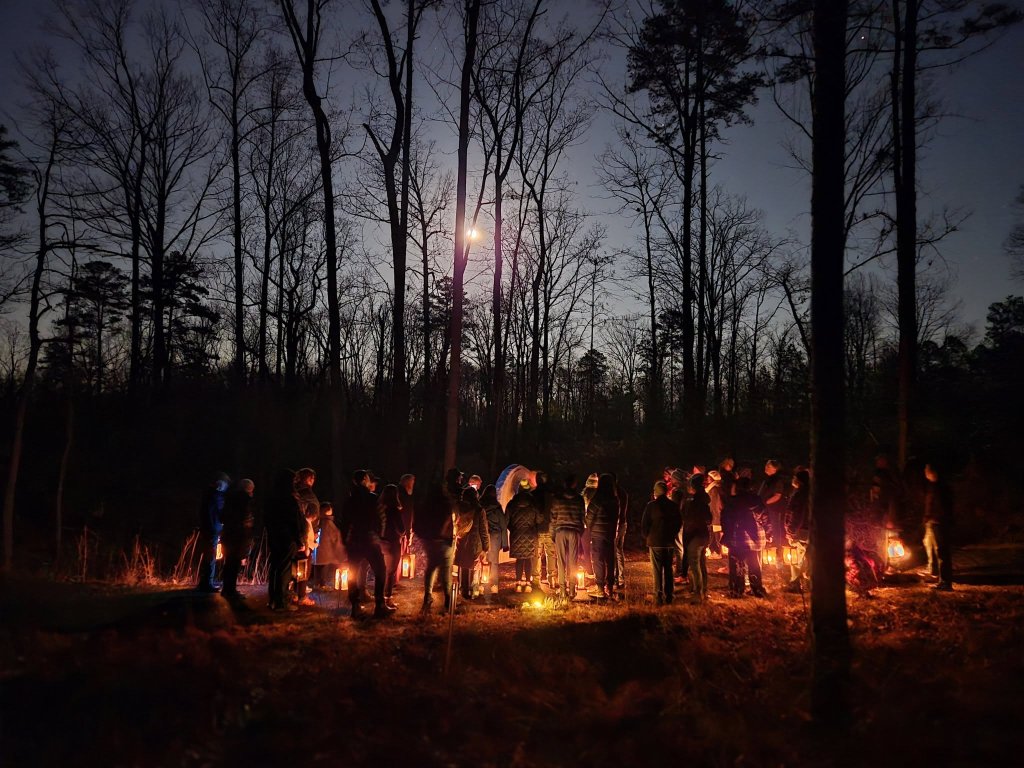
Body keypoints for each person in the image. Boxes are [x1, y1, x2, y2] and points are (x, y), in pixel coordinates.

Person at [339, 469, 392, 618]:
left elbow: (344, 522)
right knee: (380, 570)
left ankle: (355, 606)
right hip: (370, 540)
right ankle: (380, 604)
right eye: (368, 479)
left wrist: (345, 541)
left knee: (353, 573)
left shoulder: (349, 500)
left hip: (354, 541)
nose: (370, 481)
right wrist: (380, 535)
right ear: (363, 480)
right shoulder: (372, 498)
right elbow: (382, 518)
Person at [264, 469, 305, 611]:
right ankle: (281, 602)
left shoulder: (271, 497)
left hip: (274, 536)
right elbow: (294, 520)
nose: (296, 483)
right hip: (287, 538)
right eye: (294, 481)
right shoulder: (290, 498)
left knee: (275, 567)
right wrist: (299, 539)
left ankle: (273, 600)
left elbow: (267, 518)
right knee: (285, 569)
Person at [721, 476, 768, 598]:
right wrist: (769, 532)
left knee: (736, 563)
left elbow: (726, 519)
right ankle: (757, 589)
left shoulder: (732, 501)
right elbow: (765, 518)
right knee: (754, 564)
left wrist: (726, 533)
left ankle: (736, 590)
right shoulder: (756, 500)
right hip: (755, 537)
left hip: (737, 537)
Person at [416, 478, 457, 614]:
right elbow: (449, 520)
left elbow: (417, 523)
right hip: (444, 540)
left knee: (431, 567)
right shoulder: (447, 504)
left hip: (430, 541)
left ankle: (428, 597)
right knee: (446, 570)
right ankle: (448, 599)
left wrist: (424, 536)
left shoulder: (425, 504)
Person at [641, 480, 681, 605]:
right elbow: (679, 522)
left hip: (655, 542)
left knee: (657, 570)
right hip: (668, 542)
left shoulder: (651, 506)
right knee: (668, 569)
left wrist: (647, 536)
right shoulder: (673, 506)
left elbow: (644, 524)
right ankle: (669, 595)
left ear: (655, 493)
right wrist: (672, 534)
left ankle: (658, 596)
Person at [549, 474, 586, 600]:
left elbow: (553, 519)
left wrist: (553, 535)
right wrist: (579, 533)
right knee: (573, 562)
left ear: (564, 484)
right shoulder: (579, 499)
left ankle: (563, 590)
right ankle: (571, 590)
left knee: (561, 562)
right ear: (574, 484)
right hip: (574, 531)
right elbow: (582, 518)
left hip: (560, 531)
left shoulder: (557, 499)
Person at [220, 478, 255, 599]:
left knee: (229, 562)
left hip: (228, 534)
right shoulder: (245, 500)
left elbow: (222, 516)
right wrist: (249, 532)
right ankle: (231, 591)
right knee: (234, 563)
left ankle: (226, 589)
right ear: (249, 489)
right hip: (239, 535)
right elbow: (247, 518)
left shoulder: (229, 498)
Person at [922, 461, 954, 591]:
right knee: (935, 549)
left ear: (933, 472)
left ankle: (946, 582)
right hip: (934, 522)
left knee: (942, 551)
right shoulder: (933, 486)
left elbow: (943, 506)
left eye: (927, 469)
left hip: (939, 522)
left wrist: (935, 518)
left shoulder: (940, 487)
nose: (925, 471)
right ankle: (940, 577)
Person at [585, 474, 618, 599]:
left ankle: (600, 588)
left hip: (598, 534)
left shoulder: (597, 499)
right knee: (610, 560)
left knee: (598, 560)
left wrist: (590, 527)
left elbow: (589, 518)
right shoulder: (615, 500)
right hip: (610, 534)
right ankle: (609, 587)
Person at [197, 472, 230, 593]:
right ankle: (207, 583)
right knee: (210, 556)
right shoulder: (216, 496)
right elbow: (219, 514)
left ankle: (206, 581)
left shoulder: (208, 495)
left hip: (208, 529)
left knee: (209, 555)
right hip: (212, 530)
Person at [454, 486, 490, 600]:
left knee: (463, 566)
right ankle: (471, 591)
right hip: (475, 542)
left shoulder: (458, 508)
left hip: (461, 540)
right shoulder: (479, 510)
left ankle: (462, 589)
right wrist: (486, 547)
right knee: (473, 567)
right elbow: (483, 530)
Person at [291, 468, 319, 606]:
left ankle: (296, 592)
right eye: (310, 478)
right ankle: (300, 594)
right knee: (303, 565)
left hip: (303, 532)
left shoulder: (296, 492)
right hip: (303, 533)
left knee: (298, 564)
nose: (312, 481)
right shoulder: (303, 494)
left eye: (313, 478)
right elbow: (307, 514)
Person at [506, 479, 541, 592]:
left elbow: (506, 520)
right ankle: (528, 583)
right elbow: (539, 519)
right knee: (528, 559)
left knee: (519, 559)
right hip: (530, 534)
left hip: (516, 534)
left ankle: (518, 583)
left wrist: (513, 529)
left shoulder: (512, 504)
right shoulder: (533, 504)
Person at [681, 474, 712, 602]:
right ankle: (703, 590)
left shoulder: (692, 502)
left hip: (694, 535)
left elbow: (685, 516)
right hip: (703, 534)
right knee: (701, 563)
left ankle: (698, 593)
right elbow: (709, 519)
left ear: (693, 486)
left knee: (694, 563)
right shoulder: (704, 502)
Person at [759, 460, 788, 575]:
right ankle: (767, 556)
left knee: (776, 533)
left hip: (774, 510)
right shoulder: (767, 479)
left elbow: (777, 495)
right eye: (766, 465)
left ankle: (778, 559)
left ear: (775, 469)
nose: (766, 467)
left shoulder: (777, 480)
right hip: (767, 509)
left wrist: (765, 503)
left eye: (769, 466)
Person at [783, 469, 811, 593]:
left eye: (794, 477)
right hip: (808, 528)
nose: (792, 480)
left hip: (800, 529)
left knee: (797, 557)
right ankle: (807, 583)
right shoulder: (810, 493)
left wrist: (791, 530)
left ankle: (796, 583)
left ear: (798, 480)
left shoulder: (800, 494)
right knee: (806, 556)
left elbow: (796, 514)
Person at [379, 484, 406, 609]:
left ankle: (380, 598)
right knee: (390, 572)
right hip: (392, 543)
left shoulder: (379, 508)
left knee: (381, 571)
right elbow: (401, 528)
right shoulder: (394, 510)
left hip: (380, 542)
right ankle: (387, 598)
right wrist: (403, 532)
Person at [481, 484, 507, 593]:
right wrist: (505, 544)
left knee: (481, 561)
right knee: (494, 561)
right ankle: (494, 585)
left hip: (483, 535)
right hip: (495, 536)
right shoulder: (497, 507)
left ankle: (481, 584)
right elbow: (503, 525)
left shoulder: (480, 505)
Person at [314, 502, 346, 589]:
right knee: (324, 567)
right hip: (326, 552)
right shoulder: (329, 523)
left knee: (318, 567)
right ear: (327, 511)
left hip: (318, 550)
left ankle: (317, 583)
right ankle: (322, 584)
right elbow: (335, 536)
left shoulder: (318, 522)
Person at [612, 473, 629, 590]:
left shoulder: (614, 493)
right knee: (619, 551)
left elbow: (617, 511)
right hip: (623, 523)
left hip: (616, 525)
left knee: (613, 552)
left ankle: (615, 579)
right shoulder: (623, 492)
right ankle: (621, 578)